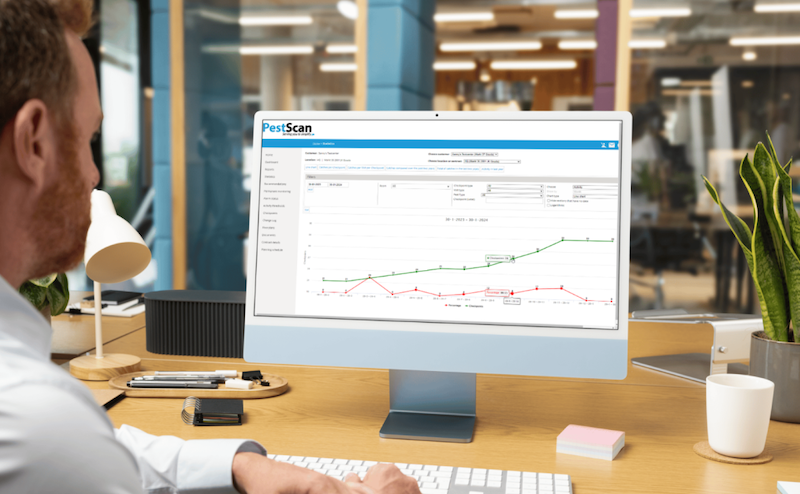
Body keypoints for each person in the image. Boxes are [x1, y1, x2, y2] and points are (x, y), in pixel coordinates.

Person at [0, 1, 421, 493]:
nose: (94, 174)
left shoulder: (39, 422)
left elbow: (88, 451)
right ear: (34, 142)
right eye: (87, 140)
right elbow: (59, 442)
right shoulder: (32, 416)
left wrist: (241, 466)